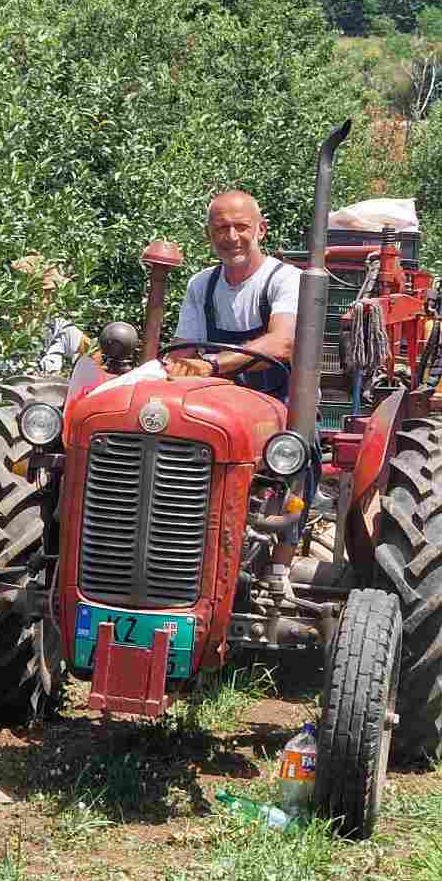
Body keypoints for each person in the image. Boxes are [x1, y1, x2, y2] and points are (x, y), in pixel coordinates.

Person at [163, 190, 302, 589]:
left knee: (298, 451)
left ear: (260, 229)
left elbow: (282, 343)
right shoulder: (200, 285)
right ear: (210, 235)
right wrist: (178, 368)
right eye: (221, 228)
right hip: (217, 401)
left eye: (241, 227)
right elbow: (185, 350)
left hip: (276, 398)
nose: (232, 237)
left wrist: (212, 364)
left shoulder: (283, 279)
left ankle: (281, 561)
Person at [10, 254, 95, 375]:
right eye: (47, 293)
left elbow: (94, 353)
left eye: (53, 293)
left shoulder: (58, 327)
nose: (52, 299)